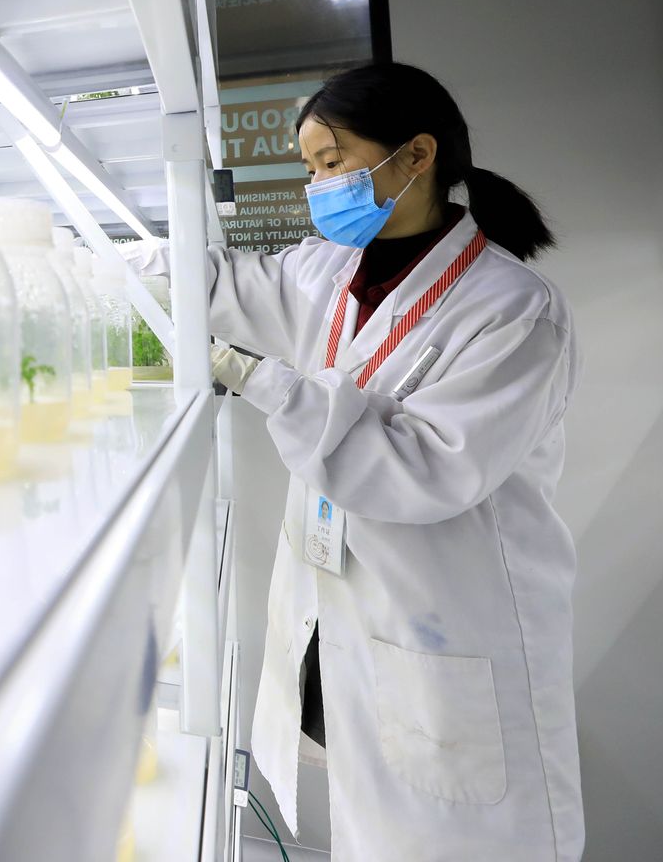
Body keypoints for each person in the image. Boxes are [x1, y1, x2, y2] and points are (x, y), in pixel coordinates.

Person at [134, 63, 581, 860]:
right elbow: (208, 285)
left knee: (455, 839)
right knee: (373, 829)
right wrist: (99, 266)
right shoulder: (325, 274)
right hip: (341, 613)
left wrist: (254, 375)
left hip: (449, 626)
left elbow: (423, 469)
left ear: (416, 155)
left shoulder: (512, 311)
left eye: (332, 162)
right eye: (309, 168)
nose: (316, 185)